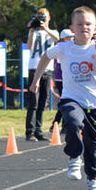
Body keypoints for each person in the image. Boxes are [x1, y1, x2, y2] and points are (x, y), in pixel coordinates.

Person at [29, 6, 96, 190]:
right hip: (71, 98)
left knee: (92, 147)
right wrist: (36, 80)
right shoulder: (64, 47)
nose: (84, 27)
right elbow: (45, 57)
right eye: (79, 24)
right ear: (72, 28)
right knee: (72, 121)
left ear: (95, 28)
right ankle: (73, 158)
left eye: (88, 24)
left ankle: (93, 180)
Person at [26, 8, 59, 141]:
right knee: (33, 102)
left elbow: (57, 38)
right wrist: (32, 29)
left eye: (44, 17)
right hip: (34, 67)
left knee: (42, 102)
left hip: (47, 69)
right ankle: (30, 131)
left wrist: (44, 28)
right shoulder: (33, 31)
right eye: (40, 17)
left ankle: (38, 131)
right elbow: (29, 46)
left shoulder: (51, 32)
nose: (41, 20)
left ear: (49, 18)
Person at [49, 29, 74, 135]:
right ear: (65, 39)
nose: (72, 39)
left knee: (65, 102)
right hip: (61, 78)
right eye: (70, 37)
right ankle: (61, 125)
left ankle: (56, 124)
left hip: (67, 78)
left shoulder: (68, 48)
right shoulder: (61, 48)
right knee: (65, 102)